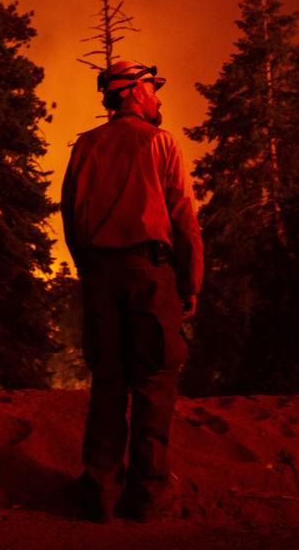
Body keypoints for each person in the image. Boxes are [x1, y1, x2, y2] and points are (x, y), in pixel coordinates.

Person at [60, 59, 204, 523]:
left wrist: (89, 268)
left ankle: (99, 493)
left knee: (108, 382)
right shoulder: (161, 142)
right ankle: (148, 496)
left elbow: (70, 216)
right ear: (134, 93)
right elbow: (183, 217)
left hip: (101, 274)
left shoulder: (85, 147)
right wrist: (190, 281)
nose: (158, 97)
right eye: (153, 89)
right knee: (154, 384)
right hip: (151, 275)